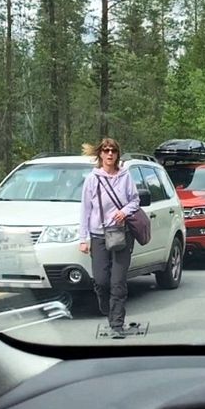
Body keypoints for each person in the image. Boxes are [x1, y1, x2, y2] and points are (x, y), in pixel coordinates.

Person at [78, 138, 141, 338]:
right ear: (100, 154)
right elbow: (85, 210)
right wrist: (83, 238)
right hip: (98, 235)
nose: (109, 154)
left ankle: (116, 324)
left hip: (122, 234)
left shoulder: (125, 176)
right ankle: (106, 308)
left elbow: (135, 200)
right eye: (106, 151)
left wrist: (124, 211)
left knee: (118, 281)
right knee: (102, 281)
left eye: (113, 150)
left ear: (117, 155)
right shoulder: (92, 179)